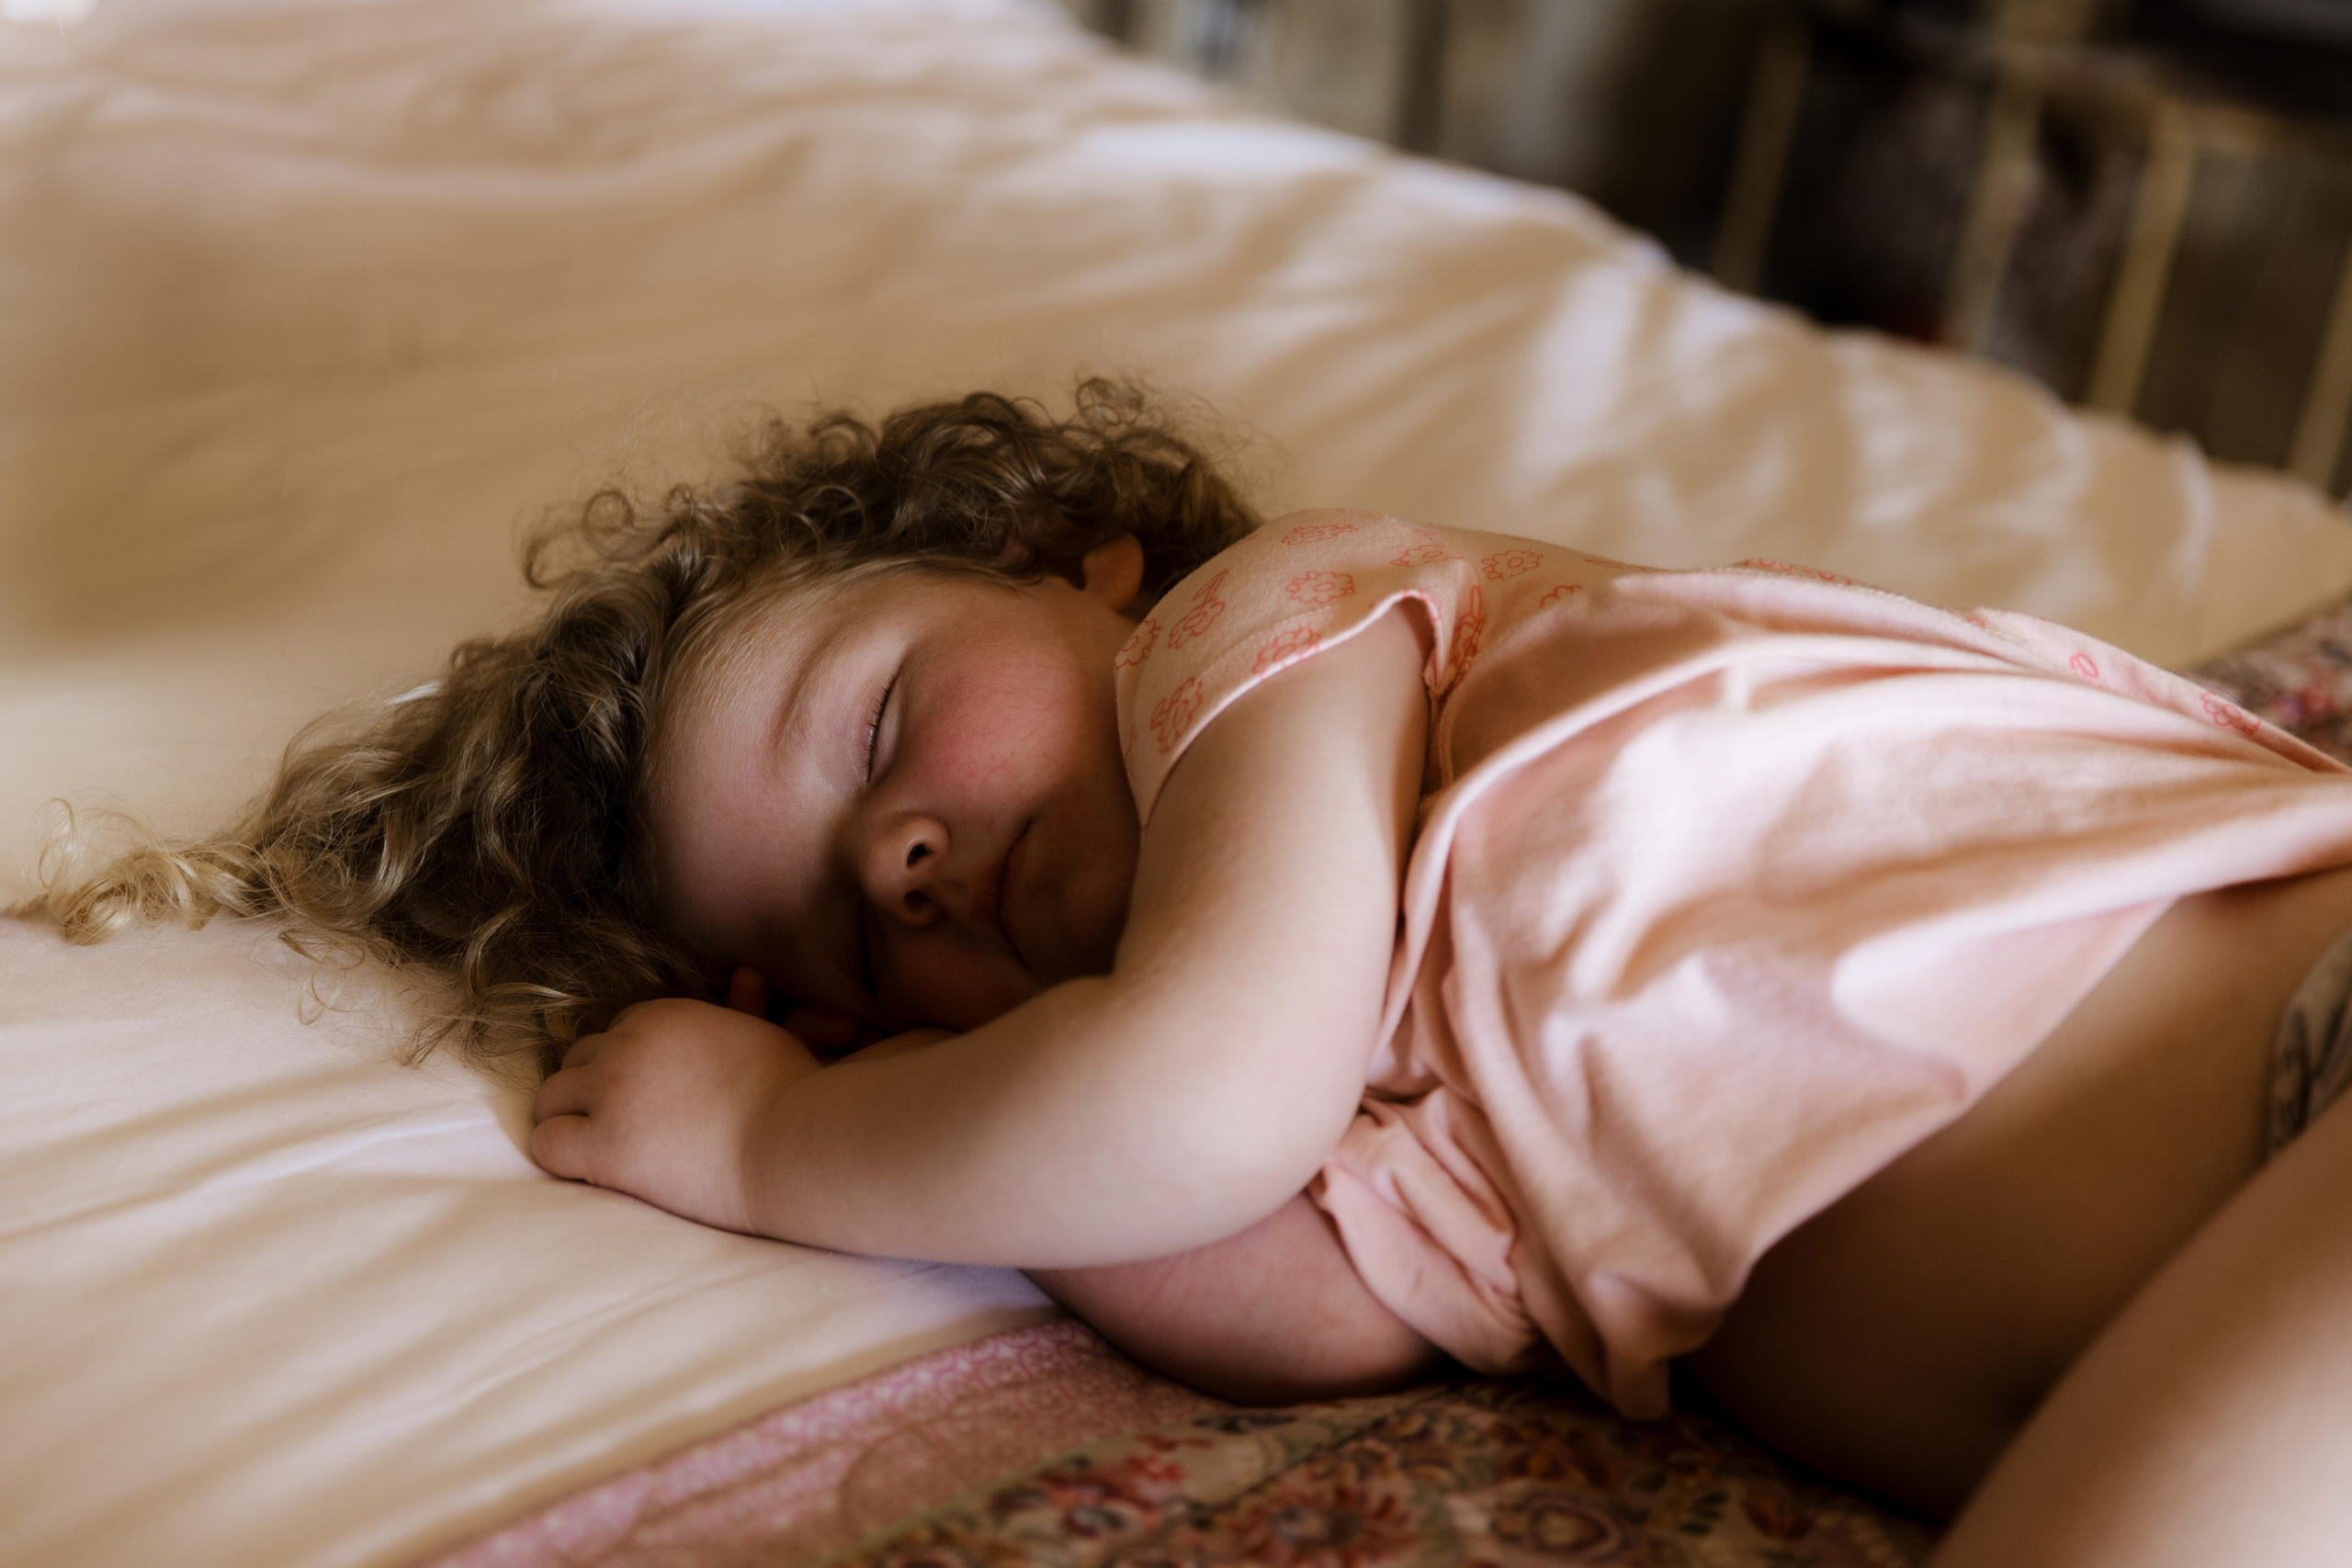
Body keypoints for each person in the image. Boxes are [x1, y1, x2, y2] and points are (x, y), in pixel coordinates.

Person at [47, 381, 2352, 1565]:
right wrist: (987, 1145)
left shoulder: (1290, 638)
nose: (917, 853)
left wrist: (766, 1126)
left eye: (879, 728)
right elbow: (1296, 1283)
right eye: (855, 932)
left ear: (1078, 560)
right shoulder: (1399, 1046)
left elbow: (1186, 1107)